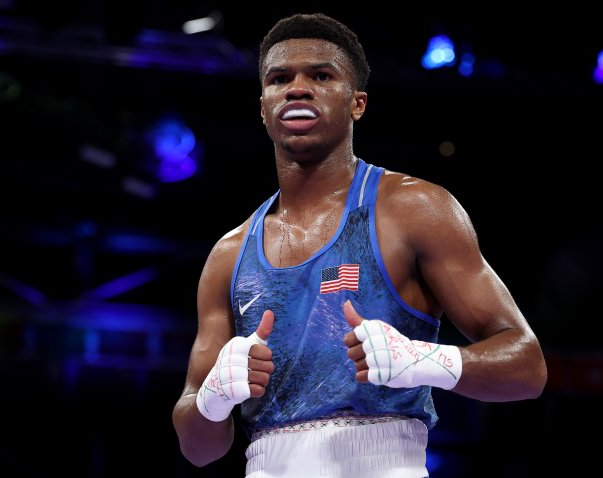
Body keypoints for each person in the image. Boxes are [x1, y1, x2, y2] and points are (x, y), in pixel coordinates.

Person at [172, 12, 548, 478]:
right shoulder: (229, 256)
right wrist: (212, 397)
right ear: (263, 106)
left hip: (387, 462)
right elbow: (198, 447)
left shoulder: (414, 209)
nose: (297, 88)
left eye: (321, 75)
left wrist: (426, 361)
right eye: (279, 78)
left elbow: (527, 367)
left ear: (358, 104)